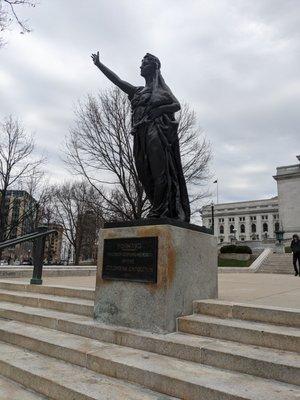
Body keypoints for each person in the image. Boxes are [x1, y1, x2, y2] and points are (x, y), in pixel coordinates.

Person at [91, 51, 190, 222]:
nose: (141, 66)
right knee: (144, 174)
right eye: (141, 63)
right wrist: (100, 65)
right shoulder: (137, 91)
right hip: (139, 134)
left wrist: (159, 110)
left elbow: (176, 105)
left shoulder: (160, 89)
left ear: (154, 67)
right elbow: (118, 81)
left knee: (159, 171)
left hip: (155, 130)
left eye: (145, 63)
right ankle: (157, 206)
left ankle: (160, 210)